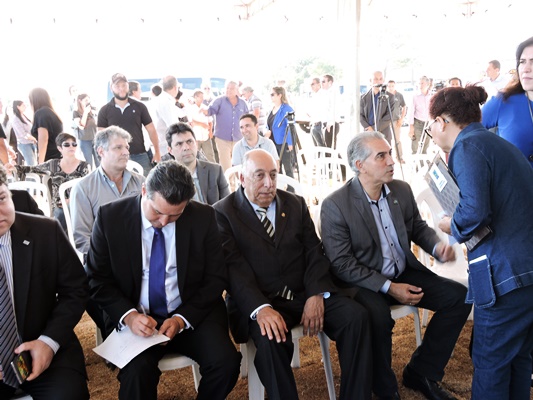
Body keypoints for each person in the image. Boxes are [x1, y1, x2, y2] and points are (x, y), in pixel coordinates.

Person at [320, 132, 472, 400]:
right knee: (378, 317)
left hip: (403, 271)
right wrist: (390, 288)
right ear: (360, 165)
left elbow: (417, 227)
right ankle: (384, 387)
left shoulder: (400, 189)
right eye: (381, 156)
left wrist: (436, 247)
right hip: (363, 281)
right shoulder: (336, 205)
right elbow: (342, 264)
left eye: (390, 153)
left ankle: (421, 372)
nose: (391, 161)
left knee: (458, 298)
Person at [214, 149, 372, 400]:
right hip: (262, 300)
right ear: (242, 179)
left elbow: (314, 252)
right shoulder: (223, 212)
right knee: (270, 340)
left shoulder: (295, 204)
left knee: (355, 317)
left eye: (273, 175)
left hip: (303, 292)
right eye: (259, 176)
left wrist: (316, 293)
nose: (269, 184)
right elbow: (233, 269)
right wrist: (260, 308)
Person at [86, 160, 241, 400]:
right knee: (136, 374)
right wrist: (129, 316)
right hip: (136, 316)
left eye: (175, 215)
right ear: (144, 191)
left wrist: (181, 319)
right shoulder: (110, 218)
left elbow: (215, 277)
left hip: (189, 312)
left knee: (226, 363)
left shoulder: (203, 216)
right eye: (157, 212)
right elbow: (96, 279)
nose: (164, 222)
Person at [425, 85, 533, 400]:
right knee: (518, 359)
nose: (431, 131)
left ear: (441, 122)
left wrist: (451, 225)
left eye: (431, 125)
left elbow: (474, 211)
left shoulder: (467, 147)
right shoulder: (497, 143)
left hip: (504, 274)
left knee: (491, 361)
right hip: (524, 271)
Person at [0, 165, 89, 400]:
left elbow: (76, 289)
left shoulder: (45, 232)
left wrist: (49, 342)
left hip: (45, 346)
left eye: (1, 198)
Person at [15, 133, 89, 232]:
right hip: (59, 207)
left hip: (78, 205)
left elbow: (87, 189)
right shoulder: (53, 164)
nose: (71, 146)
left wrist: (71, 200)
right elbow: (29, 169)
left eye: (74, 144)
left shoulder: (84, 166)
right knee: (61, 213)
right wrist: (12, 167)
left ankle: (65, 237)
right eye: (67, 144)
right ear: (59, 148)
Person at [482, 36, 533, 168]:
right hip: (513, 181)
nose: (526, 69)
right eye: (522, 62)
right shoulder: (504, 101)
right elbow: (467, 132)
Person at [98, 73, 161, 176]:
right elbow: (100, 137)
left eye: (124, 85)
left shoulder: (140, 106)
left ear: (128, 86)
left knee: (146, 183)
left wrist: (157, 152)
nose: (121, 89)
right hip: (115, 156)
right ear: (111, 88)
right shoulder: (104, 110)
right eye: (117, 86)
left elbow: (151, 130)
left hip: (139, 155)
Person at [164, 122, 229, 205]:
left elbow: (228, 204)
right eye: (179, 144)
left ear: (196, 144)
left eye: (189, 141)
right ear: (170, 150)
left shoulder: (215, 170)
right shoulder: (166, 180)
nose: (186, 147)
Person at [204, 80, 248, 171]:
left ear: (237, 90)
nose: (228, 90)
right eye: (227, 88)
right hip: (222, 139)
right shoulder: (219, 100)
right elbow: (210, 111)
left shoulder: (243, 103)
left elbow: (247, 118)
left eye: (231, 88)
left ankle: (237, 180)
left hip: (238, 138)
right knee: (226, 166)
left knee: (238, 165)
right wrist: (204, 111)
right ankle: (228, 180)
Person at [264, 86, 295, 178]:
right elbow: (268, 124)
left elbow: (291, 127)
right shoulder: (271, 109)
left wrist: (290, 143)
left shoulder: (287, 109)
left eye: (272, 94)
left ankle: (290, 186)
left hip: (283, 142)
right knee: (276, 168)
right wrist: (267, 131)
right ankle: (279, 185)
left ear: (279, 95)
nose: (271, 96)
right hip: (272, 143)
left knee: (288, 168)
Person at [152, 75, 187, 157]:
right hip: (166, 147)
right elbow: (173, 126)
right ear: (175, 87)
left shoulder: (162, 99)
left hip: (163, 145)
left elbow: (180, 114)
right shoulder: (166, 102)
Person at [29, 87, 63, 163]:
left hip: (50, 158)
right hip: (58, 155)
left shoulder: (41, 113)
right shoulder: (50, 112)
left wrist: (40, 163)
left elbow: (43, 139)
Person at [360, 71, 395, 144]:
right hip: (368, 134)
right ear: (370, 81)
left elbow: (389, 116)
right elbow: (360, 115)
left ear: (383, 81)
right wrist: (368, 128)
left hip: (384, 135)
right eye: (375, 79)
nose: (378, 81)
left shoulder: (390, 97)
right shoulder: (363, 97)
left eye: (380, 79)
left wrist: (373, 128)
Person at [187, 90, 215, 162]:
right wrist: (202, 124)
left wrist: (210, 131)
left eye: (203, 97)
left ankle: (214, 168)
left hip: (206, 136)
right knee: (195, 156)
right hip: (196, 136)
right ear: (195, 97)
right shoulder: (190, 108)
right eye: (200, 97)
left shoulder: (205, 107)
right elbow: (191, 121)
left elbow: (210, 121)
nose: (202, 99)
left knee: (210, 155)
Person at [407, 76, 432, 155]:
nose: (420, 85)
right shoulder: (415, 96)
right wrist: (411, 127)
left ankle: (423, 161)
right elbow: (411, 112)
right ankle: (415, 161)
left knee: (425, 146)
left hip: (428, 124)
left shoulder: (432, 96)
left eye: (422, 83)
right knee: (415, 146)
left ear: (427, 84)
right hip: (417, 123)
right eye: (419, 83)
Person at [73, 93, 99, 168]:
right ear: (80, 101)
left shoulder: (91, 111)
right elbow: (82, 126)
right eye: (86, 100)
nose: (88, 102)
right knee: (88, 163)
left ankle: (100, 175)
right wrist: (85, 113)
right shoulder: (76, 112)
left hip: (95, 139)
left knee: (99, 161)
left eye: (88, 100)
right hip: (85, 140)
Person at [11, 100, 38, 165]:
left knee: (34, 163)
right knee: (31, 163)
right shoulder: (15, 119)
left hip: (31, 142)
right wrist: (34, 139)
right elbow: (23, 134)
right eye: (23, 105)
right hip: (24, 144)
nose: (25, 106)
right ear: (18, 107)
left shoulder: (24, 116)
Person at [387, 80, 407, 163]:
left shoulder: (399, 95)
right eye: (389, 86)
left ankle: (399, 157)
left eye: (392, 86)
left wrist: (401, 119)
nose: (391, 88)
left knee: (397, 140)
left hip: (396, 121)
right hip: (386, 121)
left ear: (395, 86)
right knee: (387, 140)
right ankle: (388, 158)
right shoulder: (385, 95)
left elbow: (404, 107)